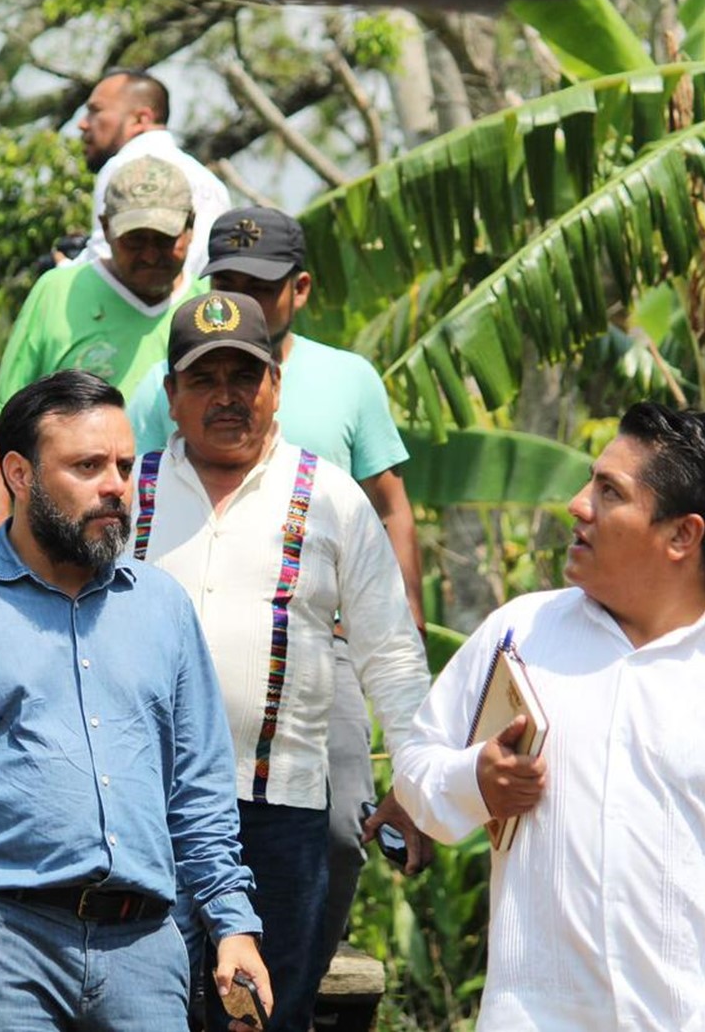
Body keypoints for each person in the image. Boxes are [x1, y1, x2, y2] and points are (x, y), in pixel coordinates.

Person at [0, 369, 271, 1032]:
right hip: (0, 941)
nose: (115, 486)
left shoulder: (163, 609)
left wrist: (232, 923)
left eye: (123, 465)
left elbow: (199, 789)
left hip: (147, 947)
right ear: (19, 473)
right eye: (87, 466)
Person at [393, 401, 705, 1031]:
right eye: (590, 482)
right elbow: (415, 769)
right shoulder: (519, 633)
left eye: (610, 492)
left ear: (682, 536)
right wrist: (476, 781)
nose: (578, 505)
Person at [127, 206, 428, 970]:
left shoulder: (329, 496)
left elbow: (390, 652)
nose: (227, 397)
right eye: (205, 379)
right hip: (137, 806)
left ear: (275, 384)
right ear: (170, 392)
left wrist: (419, 784)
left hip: (279, 808)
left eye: (244, 377)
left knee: (265, 1013)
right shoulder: (125, 493)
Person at [0, 155, 207, 535]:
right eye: (135, 240)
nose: (150, 254)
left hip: (177, 532)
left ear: (190, 228)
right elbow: (2, 422)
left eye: (164, 239)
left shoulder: (207, 308)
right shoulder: (57, 293)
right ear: (105, 227)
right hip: (71, 533)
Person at [70, 68, 231, 278]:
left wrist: (62, 269)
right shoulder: (212, 183)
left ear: (141, 119)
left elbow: (102, 263)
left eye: (95, 110)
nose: (82, 124)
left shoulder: (124, 168)